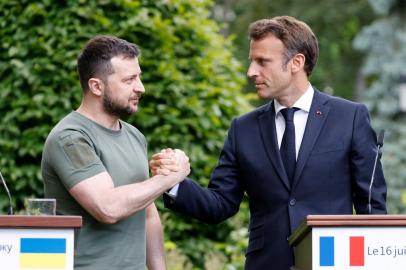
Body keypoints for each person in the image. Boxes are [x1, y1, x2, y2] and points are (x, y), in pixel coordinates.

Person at [150, 16, 387, 270]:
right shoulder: (242, 129)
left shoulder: (349, 117)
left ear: (297, 62)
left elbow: (371, 207)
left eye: (262, 62)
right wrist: (173, 183)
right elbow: (219, 204)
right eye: (252, 61)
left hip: (333, 262)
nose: (251, 71)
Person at [41, 35, 190, 270]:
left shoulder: (134, 136)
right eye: (129, 79)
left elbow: (148, 215)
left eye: (139, 77)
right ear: (96, 86)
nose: (141, 87)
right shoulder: (70, 138)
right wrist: (170, 177)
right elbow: (107, 208)